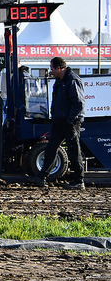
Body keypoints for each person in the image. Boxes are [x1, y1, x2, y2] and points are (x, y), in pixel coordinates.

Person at [30, 57, 86, 190]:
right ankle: (41, 176)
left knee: (74, 150)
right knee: (51, 148)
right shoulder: (61, 81)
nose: (51, 71)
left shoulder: (72, 80)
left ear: (59, 68)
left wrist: (70, 119)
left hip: (69, 122)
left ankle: (79, 180)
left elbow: (79, 103)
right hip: (60, 120)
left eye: (52, 68)